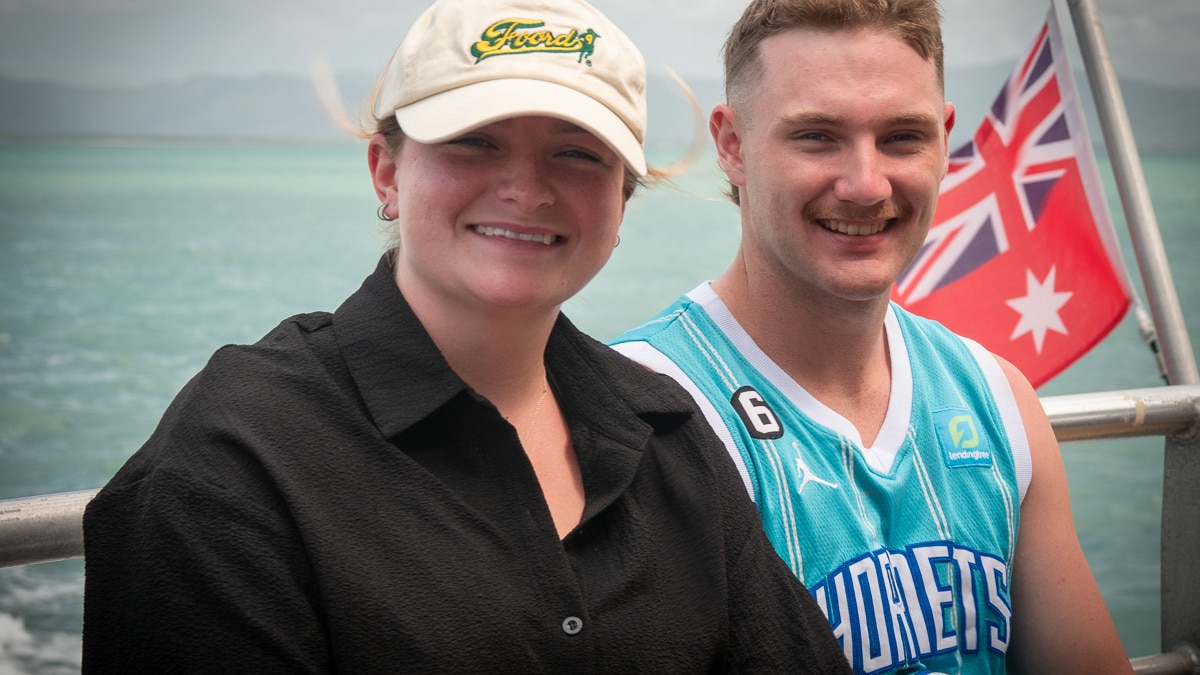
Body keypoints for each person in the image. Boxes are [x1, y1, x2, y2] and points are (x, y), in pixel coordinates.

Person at [80, 0, 852, 672]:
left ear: (622, 199)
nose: (526, 187)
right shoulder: (240, 454)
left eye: (576, 153)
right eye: (475, 139)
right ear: (387, 172)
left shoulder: (667, 435)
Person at [611, 0, 1133, 673]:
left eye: (902, 138)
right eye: (817, 136)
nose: (866, 184)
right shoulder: (647, 412)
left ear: (944, 142)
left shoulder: (997, 400)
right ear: (733, 145)